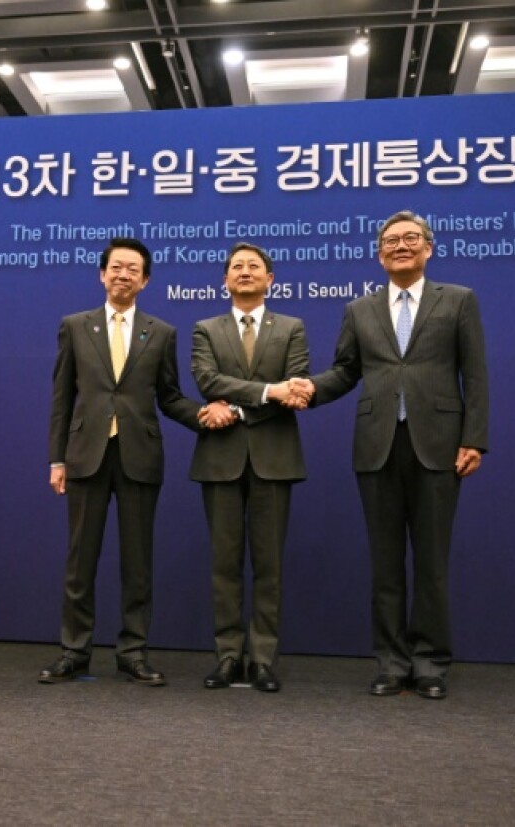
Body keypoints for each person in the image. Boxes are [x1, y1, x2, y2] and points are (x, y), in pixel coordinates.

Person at [292, 210, 488, 700]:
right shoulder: (360, 310)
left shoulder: (459, 300)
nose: (400, 246)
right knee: (384, 563)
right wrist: (308, 389)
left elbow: (476, 374)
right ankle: (391, 663)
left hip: (440, 445)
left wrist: (474, 438)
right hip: (377, 445)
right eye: (391, 240)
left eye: (411, 239)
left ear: (428, 248)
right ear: (379, 253)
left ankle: (431, 663)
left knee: (431, 561)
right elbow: (344, 371)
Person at [40, 237, 209, 686]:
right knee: (80, 561)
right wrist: (57, 459)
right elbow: (62, 398)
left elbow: (170, 397)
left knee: (138, 563)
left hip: (139, 456)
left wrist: (204, 415)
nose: (123, 275)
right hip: (85, 457)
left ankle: (133, 652)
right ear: (102, 274)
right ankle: (74, 651)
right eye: (116, 267)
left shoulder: (163, 332)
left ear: (145, 280)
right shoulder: (75, 326)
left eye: (133, 269)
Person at [189, 242, 310, 693]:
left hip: (274, 460)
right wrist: (267, 393)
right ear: (225, 280)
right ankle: (227, 656)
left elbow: (295, 390)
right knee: (224, 564)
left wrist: (240, 408)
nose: (244, 272)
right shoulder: (206, 329)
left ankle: (261, 659)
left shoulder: (292, 328)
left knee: (268, 565)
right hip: (219, 460)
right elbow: (208, 381)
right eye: (236, 267)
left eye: (253, 266)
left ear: (269, 279)